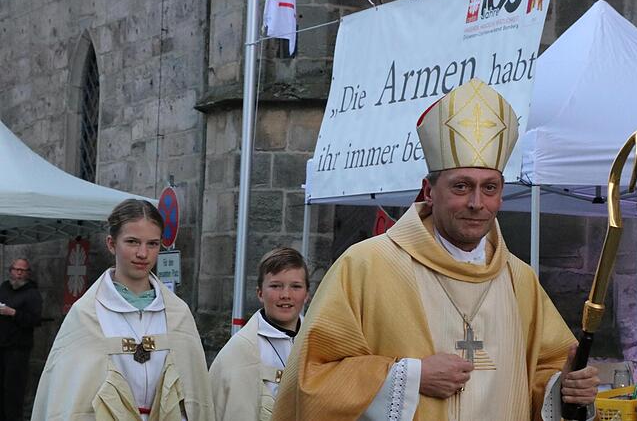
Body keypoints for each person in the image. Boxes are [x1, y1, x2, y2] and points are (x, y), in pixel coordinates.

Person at [273, 78, 600, 421]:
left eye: (490, 188)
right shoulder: (367, 266)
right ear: (429, 190)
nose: (477, 203)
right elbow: (311, 381)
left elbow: (543, 371)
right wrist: (409, 378)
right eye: (461, 186)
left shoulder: (520, 280)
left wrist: (563, 389)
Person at [32, 199, 214, 420]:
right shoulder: (87, 314)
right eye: (132, 242)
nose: (142, 253)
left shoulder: (178, 314)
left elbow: (195, 395)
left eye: (152, 244)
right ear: (111, 243)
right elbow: (67, 396)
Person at [209, 247, 310, 420]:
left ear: (307, 294)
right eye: (276, 286)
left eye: (296, 286)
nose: (286, 295)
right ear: (260, 293)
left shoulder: (319, 342)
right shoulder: (239, 351)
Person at [0, 258, 42, 421]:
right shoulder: (4, 287)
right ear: (10, 271)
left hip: (18, 348)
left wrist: (14, 313)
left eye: (22, 270)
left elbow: (35, 320)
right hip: (2, 344)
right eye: (16, 269)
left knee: (13, 389)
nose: (18, 273)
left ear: (27, 273)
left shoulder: (32, 293)